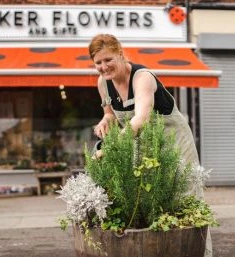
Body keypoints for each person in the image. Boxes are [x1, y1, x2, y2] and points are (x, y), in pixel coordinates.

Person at [88, 33, 212, 257]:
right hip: (142, 142)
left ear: (121, 54)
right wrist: (105, 121)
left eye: (108, 60)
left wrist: (112, 147)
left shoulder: (142, 78)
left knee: (185, 194)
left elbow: (140, 119)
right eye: (98, 62)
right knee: (150, 196)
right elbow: (110, 113)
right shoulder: (103, 84)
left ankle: (198, 252)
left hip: (174, 141)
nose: (104, 67)